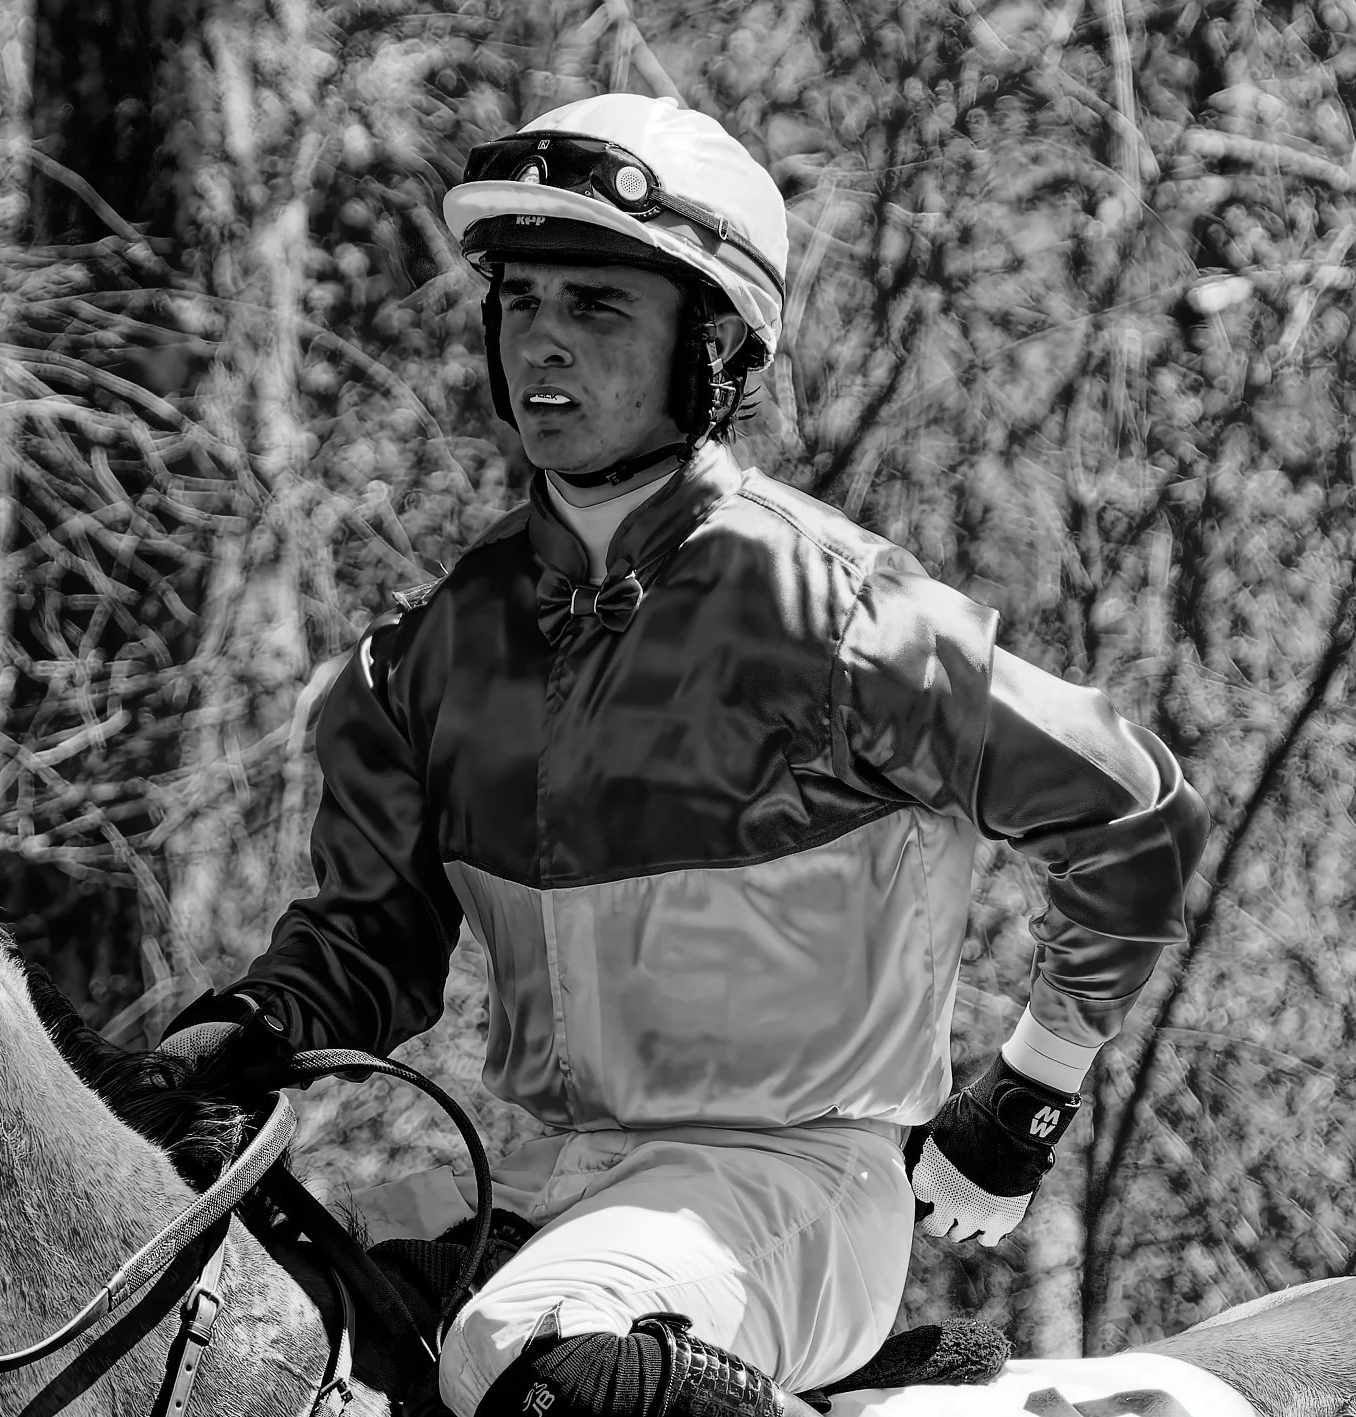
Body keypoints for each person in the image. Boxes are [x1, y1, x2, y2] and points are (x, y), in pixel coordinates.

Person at [160, 93, 1209, 1417]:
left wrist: (1030, 1092)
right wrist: (248, 1028)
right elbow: (372, 939)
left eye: (598, 307)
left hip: (794, 1187)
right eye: (521, 301)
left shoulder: (848, 621)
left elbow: (1134, 808)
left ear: (710, 346)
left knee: (533, 1351)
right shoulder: (429, 654)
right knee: (221, 1307)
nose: (543, 342)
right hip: (538, 1179)